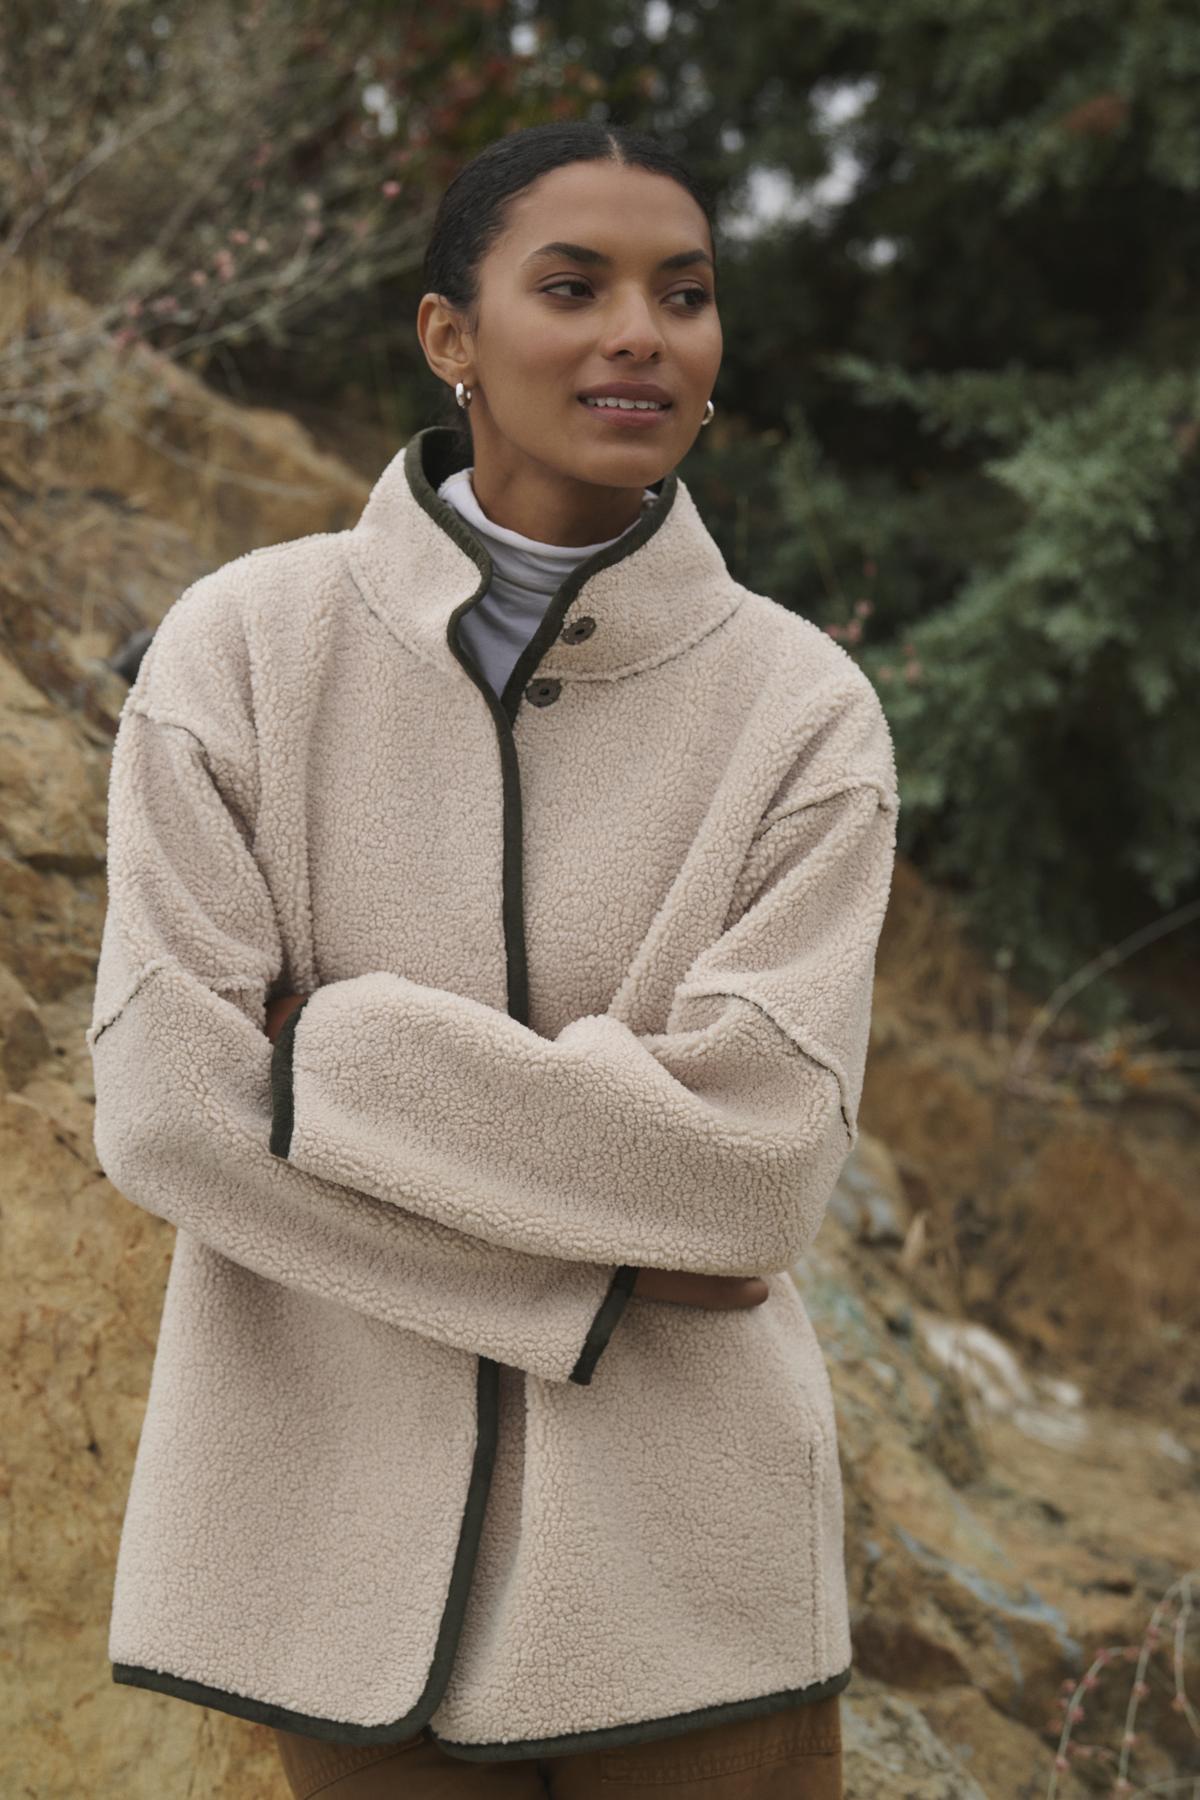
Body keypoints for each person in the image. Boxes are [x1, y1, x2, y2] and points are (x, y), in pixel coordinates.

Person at [89, 118, 896, 1800]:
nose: (640, 333)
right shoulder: (240, 652)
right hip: (338, 1564)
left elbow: (750, 1186)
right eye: (574, 284)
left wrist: (341, 1056)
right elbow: (167, 1108)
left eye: (685, 293)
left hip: (694, 1580)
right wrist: (602, 1269)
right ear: (447, 333)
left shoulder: (804, 711)